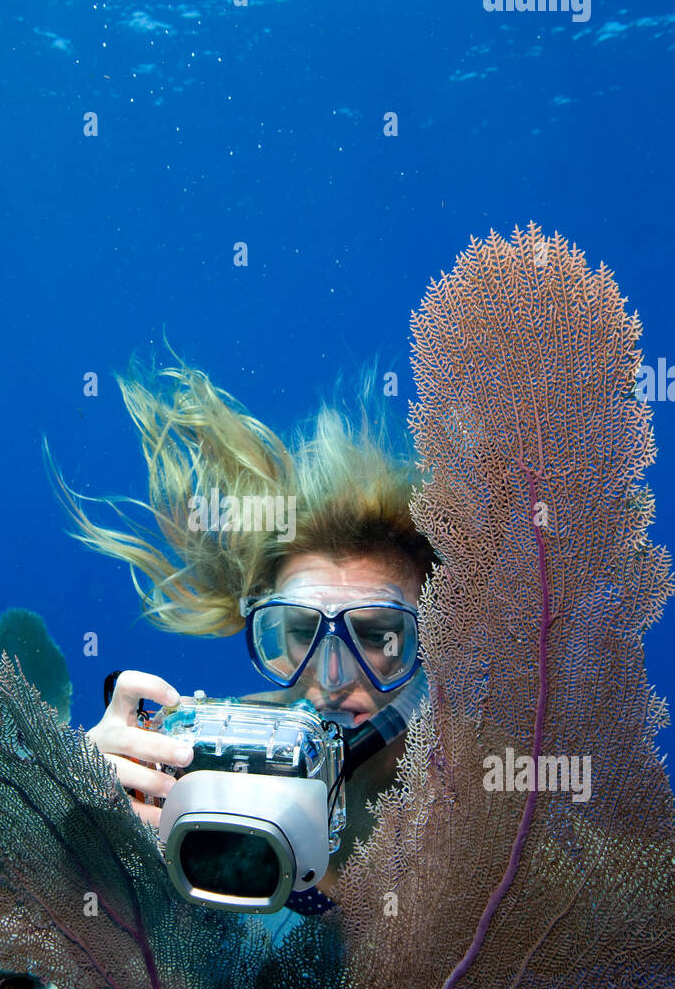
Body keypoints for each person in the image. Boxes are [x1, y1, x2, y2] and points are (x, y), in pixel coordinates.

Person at [47, 357, 437, 930]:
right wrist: (82, 812)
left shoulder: (482, 795)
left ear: (433, 641)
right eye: (302, 632)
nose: (330, 677)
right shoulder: (201, 767)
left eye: (377, 635)